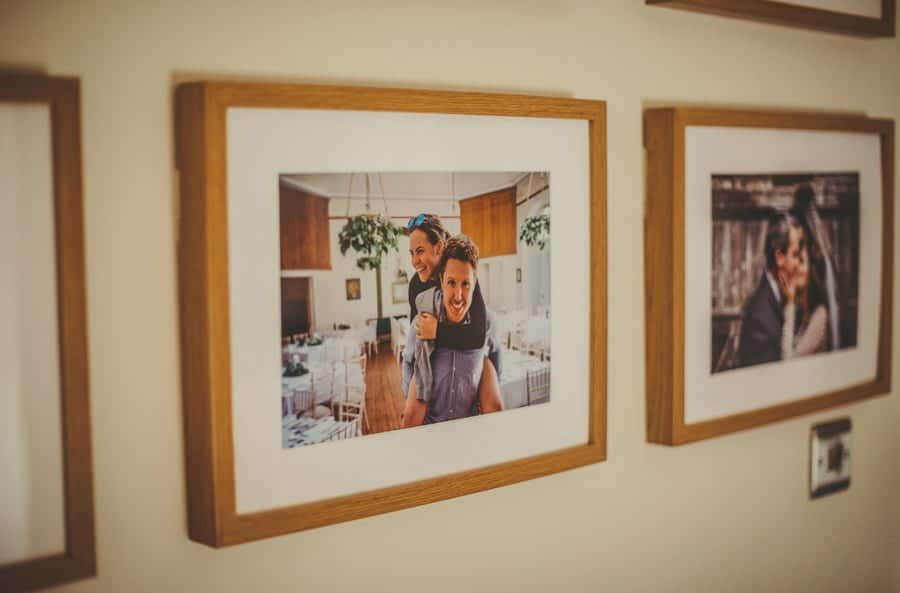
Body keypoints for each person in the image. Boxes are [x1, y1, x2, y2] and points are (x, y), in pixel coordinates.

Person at [401, 235, 503, 427]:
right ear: (441, 280)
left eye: (466, 284)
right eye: (451, 283)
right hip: (430, 432)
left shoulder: (487, 324)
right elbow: (407, 361)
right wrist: (409, 398)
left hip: (470, 431)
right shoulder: (421, 322)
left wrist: (486, 391)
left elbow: (496, 360)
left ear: (475, 284)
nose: (458, 296)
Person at [405, 213, 486, 349]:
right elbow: (416, 336)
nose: (414, 261)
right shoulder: (415, 285)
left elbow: (477, 336)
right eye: (412, 253)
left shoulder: (462, 271)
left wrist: (437, 331)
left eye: (420, 251)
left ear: (439, 247)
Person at [737, 212, 805, 368]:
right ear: (779, 257)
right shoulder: (759, 317)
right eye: (795, 255)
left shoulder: (782, 298)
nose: (799, 264)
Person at [781, 244, 829, 359]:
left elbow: (788, 359)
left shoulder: (820, 315)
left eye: (801, 261)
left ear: (812, 270)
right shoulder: (801, 312)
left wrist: (790, 302)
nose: (795, 265)